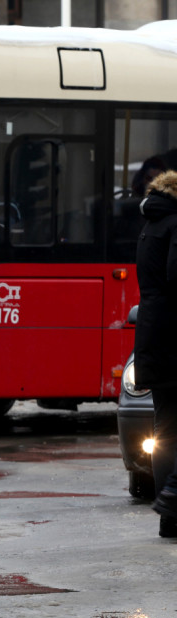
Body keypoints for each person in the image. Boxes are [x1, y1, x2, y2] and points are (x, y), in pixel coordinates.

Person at [135, 170, 177, 538]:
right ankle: (173, 497)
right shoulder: (175, 224)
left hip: (154, 336)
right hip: (175, 336)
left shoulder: (152, 223)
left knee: (165, 428)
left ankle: (171, 518)